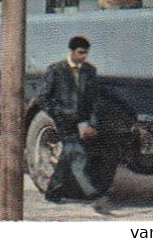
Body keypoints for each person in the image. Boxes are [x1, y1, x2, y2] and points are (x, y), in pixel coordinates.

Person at [36, 35, 103, 205]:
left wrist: (92, 124)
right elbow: (43, 97)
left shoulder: (90, 71)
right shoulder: (56, 70)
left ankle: (53, 191)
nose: (83, 56)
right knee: (77, 153)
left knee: (68, 155)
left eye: (86, 53)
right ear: (71, 51)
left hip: (83, 122)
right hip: (64, 121)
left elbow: (94, 100)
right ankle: (91, 192)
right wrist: (58, 114)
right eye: (80, 52)